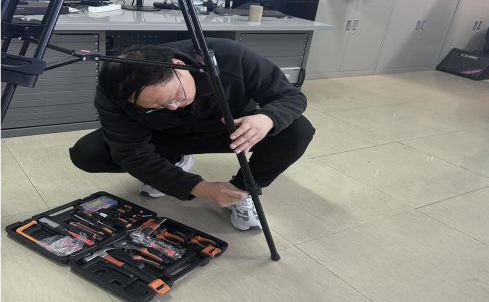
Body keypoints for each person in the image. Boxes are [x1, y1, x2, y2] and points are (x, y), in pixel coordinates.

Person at [70, 38, 315, 231]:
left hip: (230, 129)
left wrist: (267, 118)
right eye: (157, 107)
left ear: (180, 66)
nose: (174, 107)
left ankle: (240, 192)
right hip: (166, 135)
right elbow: (131, 153)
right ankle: (174, 162)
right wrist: (200, 188)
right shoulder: (112, 91)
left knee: (297, 130)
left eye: (176, 96)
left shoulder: (230, 56)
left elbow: (291, 96)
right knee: (89, 153)